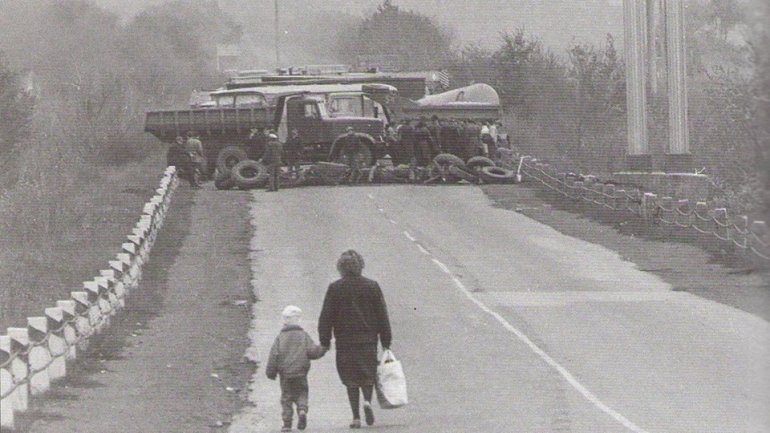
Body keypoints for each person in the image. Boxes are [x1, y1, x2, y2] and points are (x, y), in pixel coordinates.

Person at [318, 250, 392, 429]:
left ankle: (356, 417)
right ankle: (367, 401)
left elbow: (326, 317)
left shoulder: (335, 288)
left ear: (340, 268)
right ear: (361, 266)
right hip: (367, 340)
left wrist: (325, 341)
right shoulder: (372, 286)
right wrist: (386, 342)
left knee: (350, 379)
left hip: (345, 341)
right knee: (367, 375)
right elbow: (382, 315)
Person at [266, 305, 327, 432]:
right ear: (298, 320)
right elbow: (313, 352)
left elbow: (274, 355)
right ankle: (302, 410)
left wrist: (271, 372)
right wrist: (323, 348)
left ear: (285, 321)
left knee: (286, 398)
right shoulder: (303, 336)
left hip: (285, 374)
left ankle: (287, 424)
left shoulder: (280, 338)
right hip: (300, 373)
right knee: (302, 393)